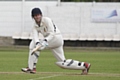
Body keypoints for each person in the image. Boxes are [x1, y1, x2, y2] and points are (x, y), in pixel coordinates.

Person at [21, 8, 91, 75]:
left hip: (56, 38)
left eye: (38, 15)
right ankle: (85, 65)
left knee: (34, 45)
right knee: (62, 63)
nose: (37, 17)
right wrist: (37, 42)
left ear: (41, 15)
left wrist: (44, 41)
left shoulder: (47, 20)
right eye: (35, 16)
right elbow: (35, 36)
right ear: (33, 17)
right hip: (51, 42)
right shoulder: (35, 26)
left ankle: (31, 67)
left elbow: (52, 33)